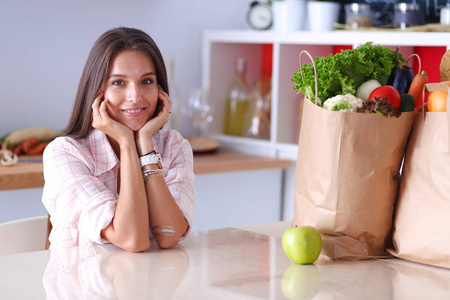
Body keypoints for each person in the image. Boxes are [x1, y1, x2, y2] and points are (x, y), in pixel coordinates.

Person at [42, 27, 195, 252]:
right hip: (85, 286)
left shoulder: (174, 147)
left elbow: (169, 235)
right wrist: (126, 143)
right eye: (119, 83)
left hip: (153, 284)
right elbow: (133, 239)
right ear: (97, 91)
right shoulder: (64, 153)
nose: (135, 97)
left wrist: (145, 145)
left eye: (146, 81)